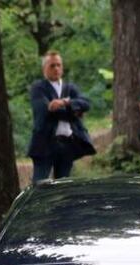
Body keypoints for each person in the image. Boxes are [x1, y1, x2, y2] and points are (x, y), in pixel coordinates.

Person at [27, 50, 96, 183]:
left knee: (63, 187)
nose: (56, 68)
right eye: (52, 65)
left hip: (67, 144)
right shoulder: (38, 88)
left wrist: (65, 102)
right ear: (44, 69)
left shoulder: (70, 88)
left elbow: (86, 104)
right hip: (45, 143)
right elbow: (45, 111)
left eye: (59, 65)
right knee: (39, 185)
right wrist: (74, 112)